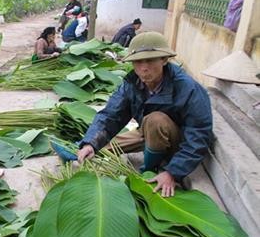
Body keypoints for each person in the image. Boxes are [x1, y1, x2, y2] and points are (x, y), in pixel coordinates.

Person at [77, 32, 213, 198]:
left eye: (150, 60)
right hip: (148, 133)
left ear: (164, 60)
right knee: (99, 146)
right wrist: (90, 143)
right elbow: (111, 115)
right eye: (138, 61)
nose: (143, 68)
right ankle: (85, 149)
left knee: (154, 120)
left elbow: (198, 134)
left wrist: (173, 172)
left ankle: (150, 169)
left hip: (176, 142)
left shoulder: (189, 89)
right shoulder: (132, 84)